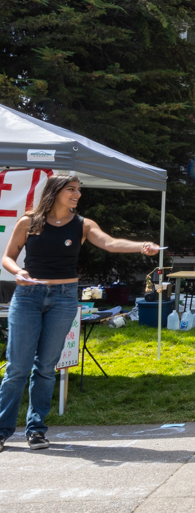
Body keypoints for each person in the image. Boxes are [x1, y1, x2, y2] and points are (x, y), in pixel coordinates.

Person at [0, 175, 159, 451]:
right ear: (55, 191)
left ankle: (36, 430)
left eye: (79, 190)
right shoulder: (29, 222)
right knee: (17, 368)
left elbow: (109, 243)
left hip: (63, 299)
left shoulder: (82, 225)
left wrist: (141, 246)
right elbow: (7, 257)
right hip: (27, 297)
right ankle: (3, 430)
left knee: (46, 367)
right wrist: (19, 272)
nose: (77, 194)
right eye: (71, 190)